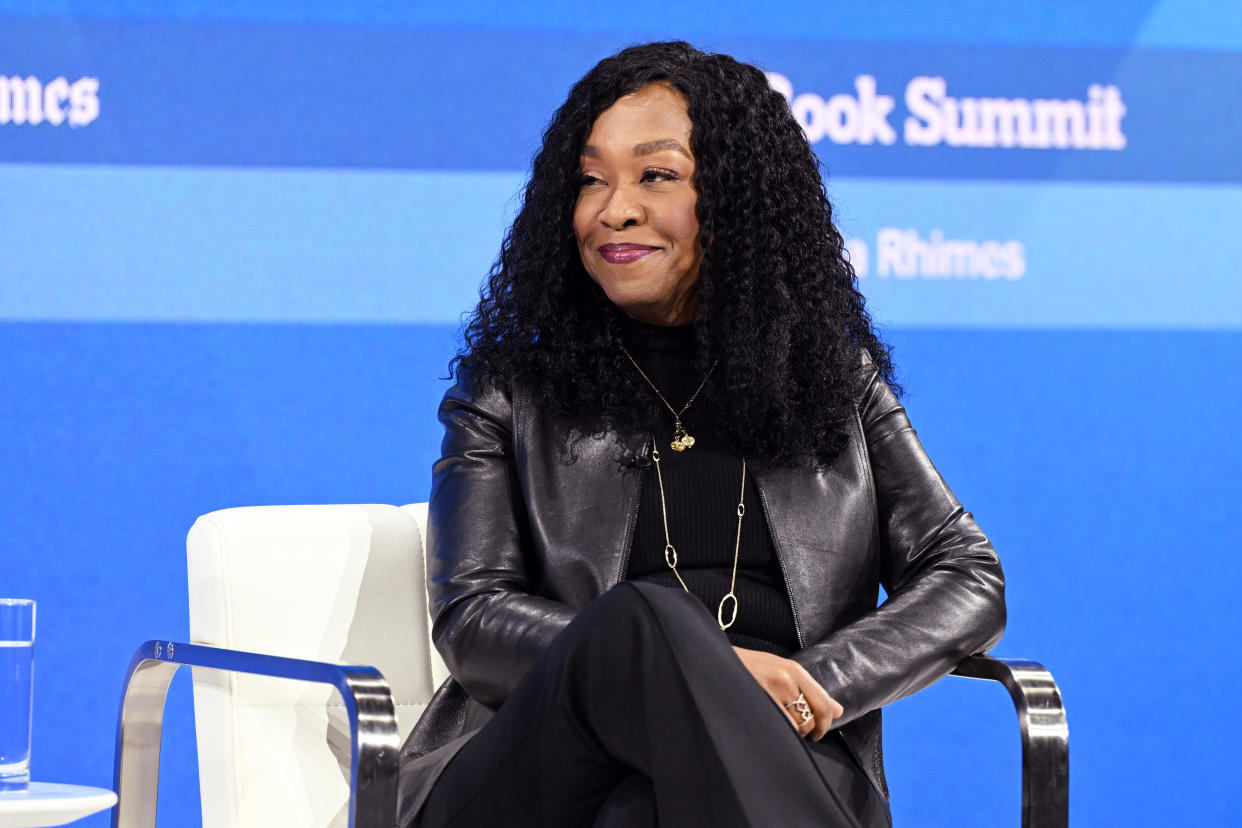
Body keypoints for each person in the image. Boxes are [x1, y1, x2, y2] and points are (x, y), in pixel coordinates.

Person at [397, 41, 1005, 827]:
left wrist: (812, 685)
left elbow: (965, 571)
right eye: (590, 180)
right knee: (639, 621)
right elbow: (473, 618)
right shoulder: (511, 389)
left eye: (656, 175)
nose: (614, 208)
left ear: (737, 202)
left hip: (764, 761)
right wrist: (703, 670)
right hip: (536, 776)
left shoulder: (829, 381)